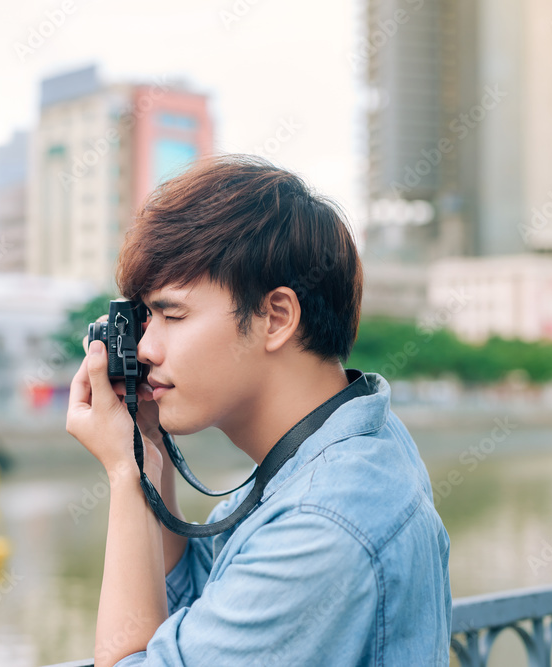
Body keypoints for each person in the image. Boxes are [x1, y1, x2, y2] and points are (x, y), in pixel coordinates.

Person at [66, 155, 451, 666]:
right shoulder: (346, 445)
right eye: (144, 319)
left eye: (171, 315)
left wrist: (124, 473)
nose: (144, 349)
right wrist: (147, 454)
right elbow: (209, 606)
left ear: (275, 317)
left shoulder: (325, 523)